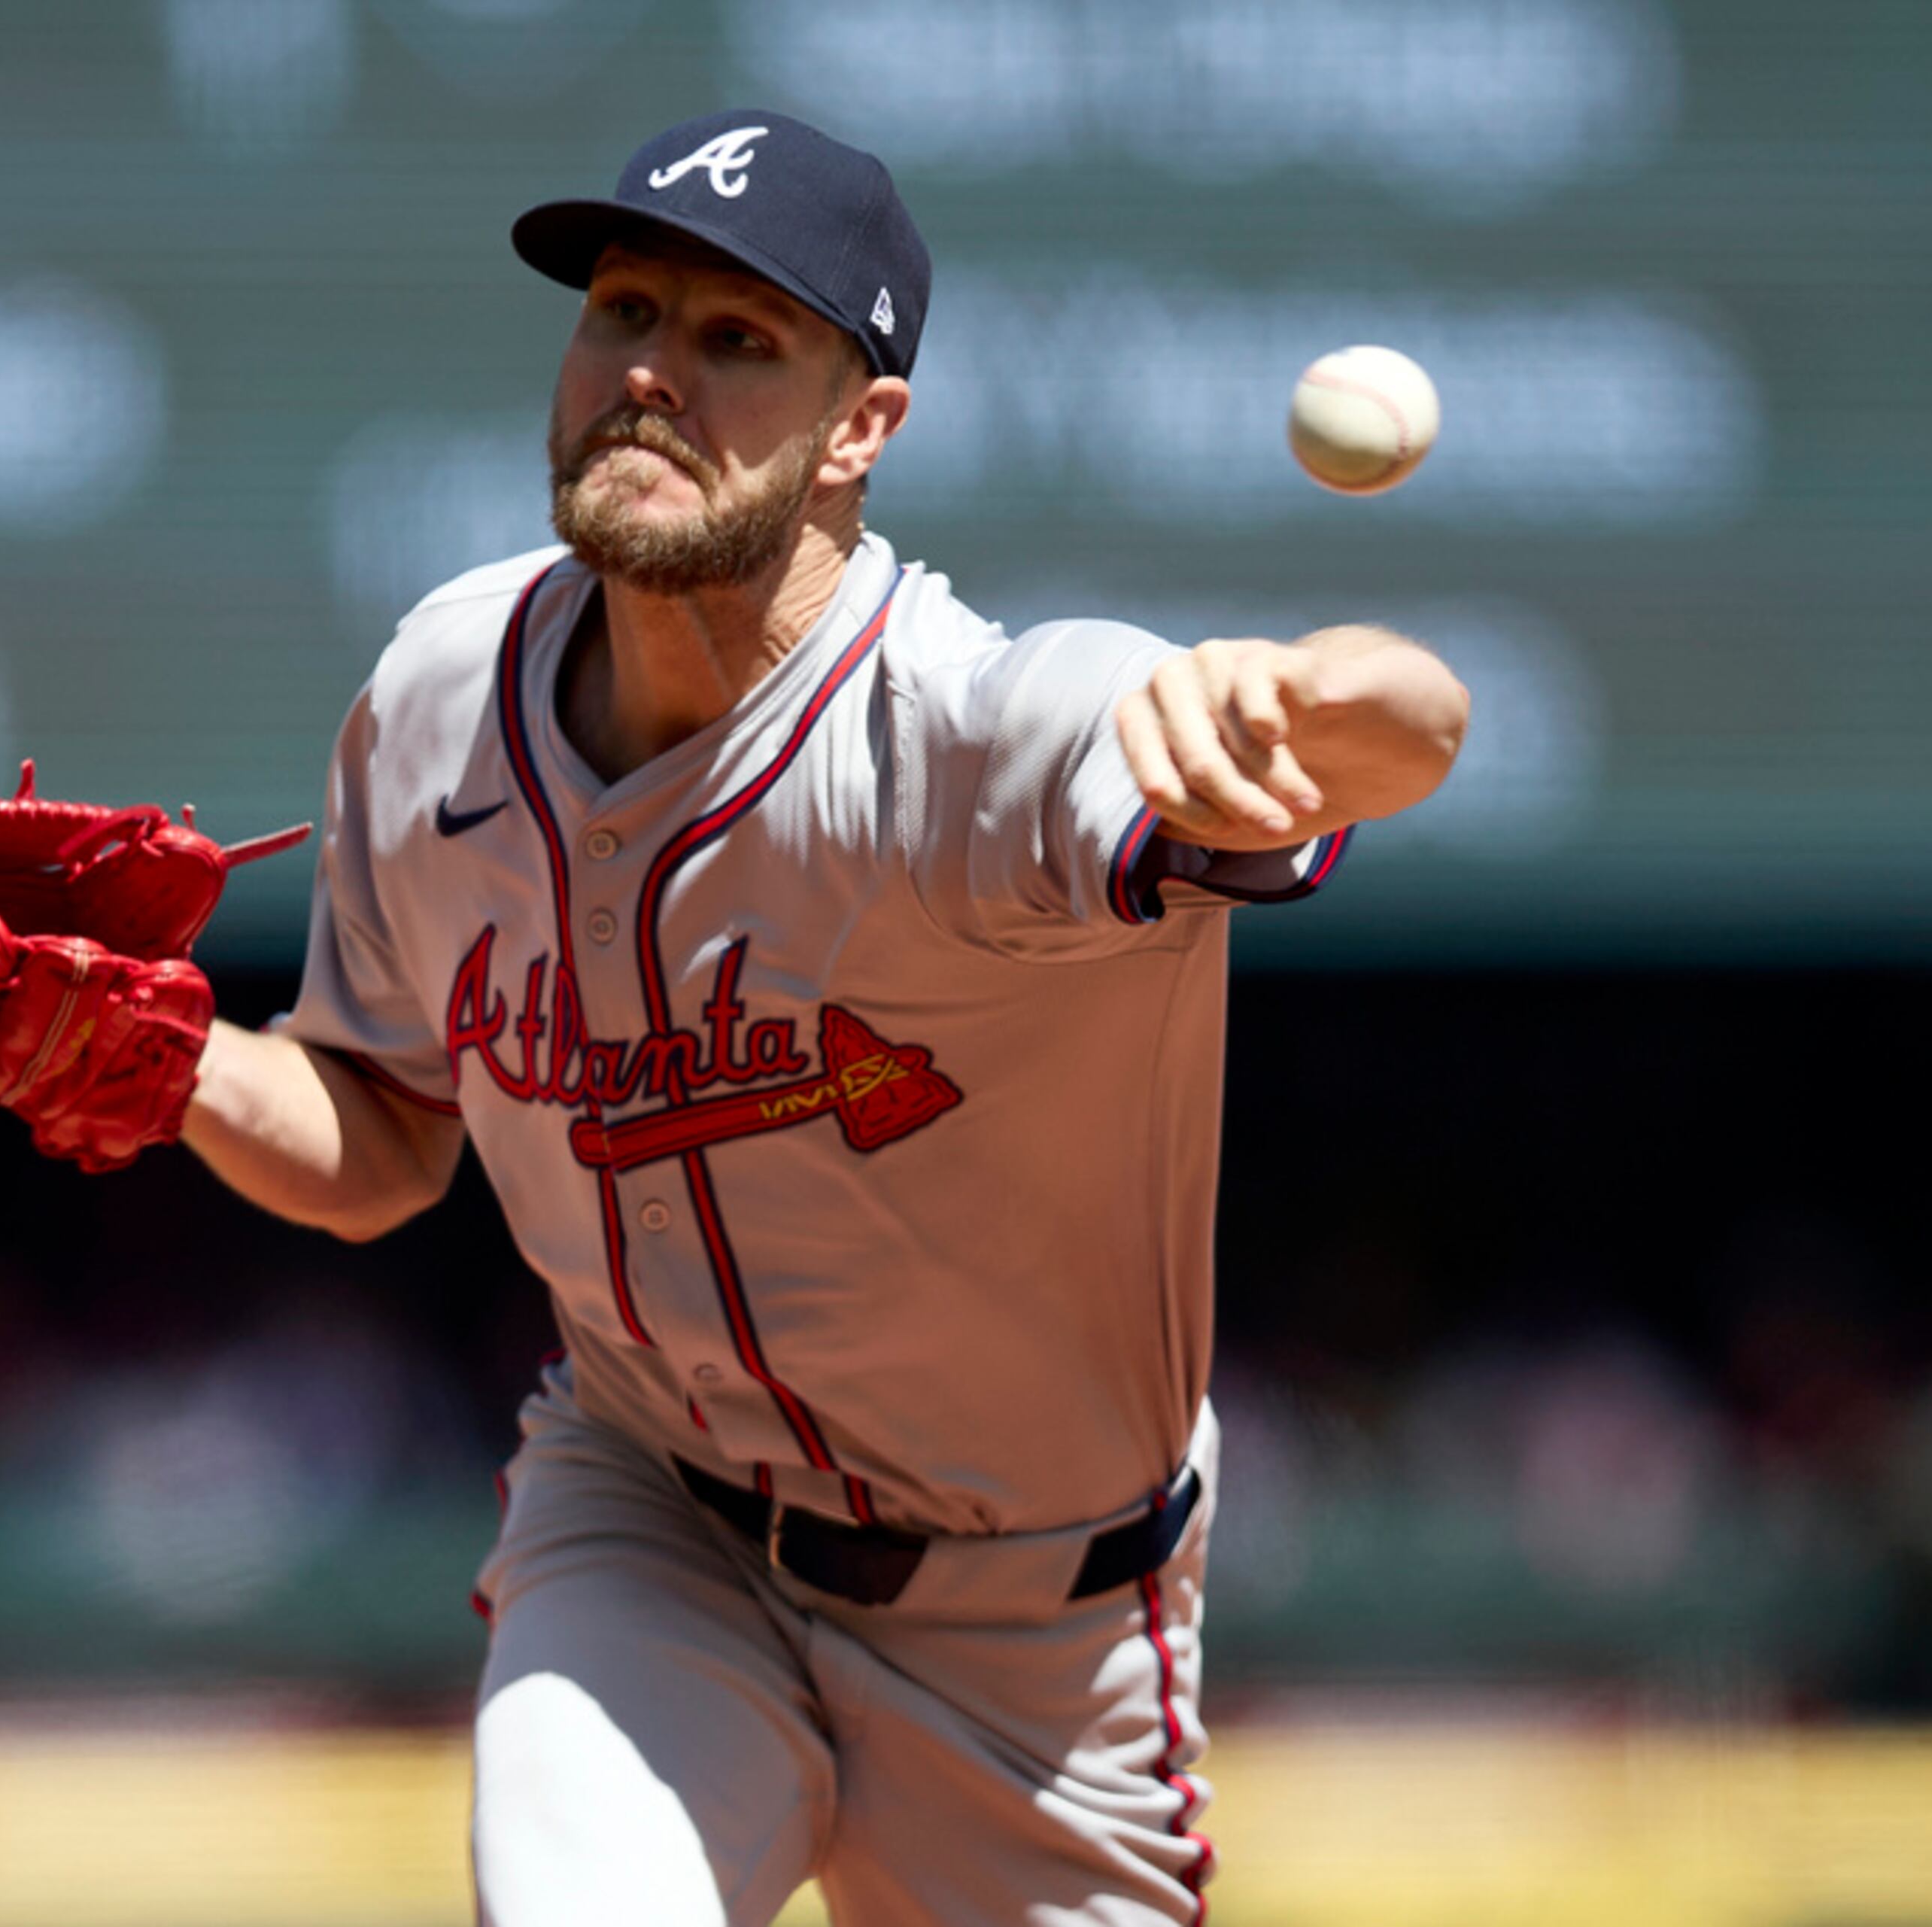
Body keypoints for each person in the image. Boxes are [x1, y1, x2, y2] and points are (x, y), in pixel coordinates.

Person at [184, 111, 1467, 1925]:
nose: (649, 370)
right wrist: (172, 1060)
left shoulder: (970, 739)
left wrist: (1320, 697)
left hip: (1034, 1633)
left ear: (863, 427)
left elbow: (1407, 727)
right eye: (624, 308)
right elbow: (381, 1140)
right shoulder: (437, 700)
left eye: (736, 339)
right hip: (649, 1521)